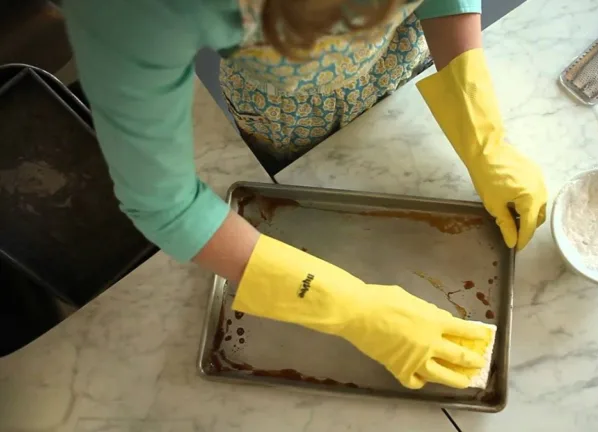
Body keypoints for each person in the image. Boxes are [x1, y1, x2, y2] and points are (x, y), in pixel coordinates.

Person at [63, 0, 548, 389]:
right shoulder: (131, 10)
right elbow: (165, 203)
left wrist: (485, 141)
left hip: (401, 67)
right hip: (290, 112)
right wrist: (350, 308)